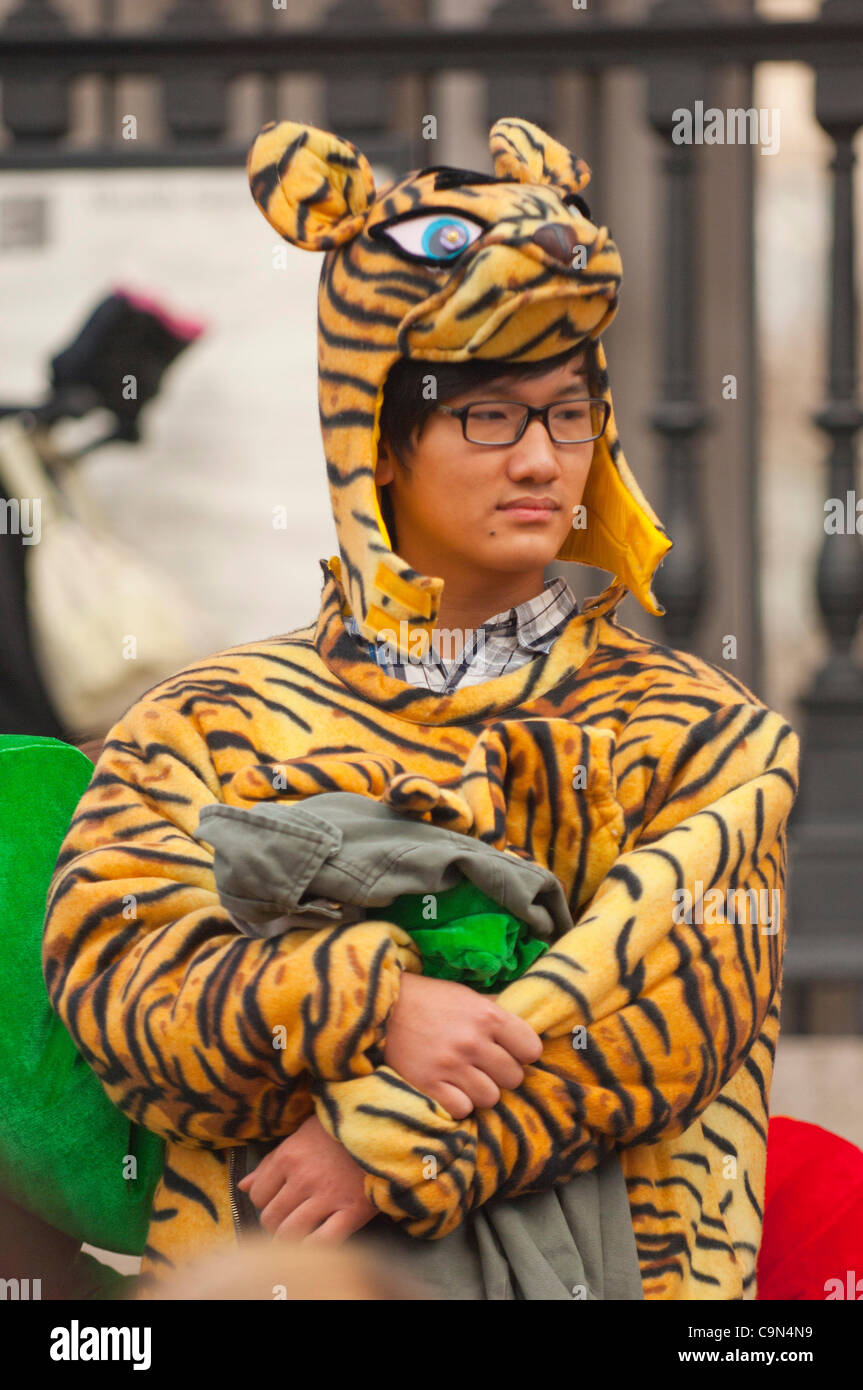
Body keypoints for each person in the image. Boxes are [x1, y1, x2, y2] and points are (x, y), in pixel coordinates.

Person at [42, 116, 800, 1300]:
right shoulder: (208, 719)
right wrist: (366, 1002)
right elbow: (118, 983)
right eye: (487, 417)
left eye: (565, 413)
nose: (542, 460)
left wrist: (384, 1141)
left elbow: (676, 1014)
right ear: (376, 445)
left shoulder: (698, 731)